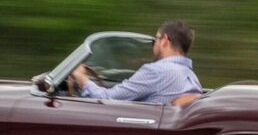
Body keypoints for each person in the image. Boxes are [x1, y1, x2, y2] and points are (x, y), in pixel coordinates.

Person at [72, 20, 203, 104]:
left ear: (164, 40)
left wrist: (82, 79)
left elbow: (106, 100)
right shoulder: (192, 78)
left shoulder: (157, 71)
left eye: (155, 40)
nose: (153, 45)